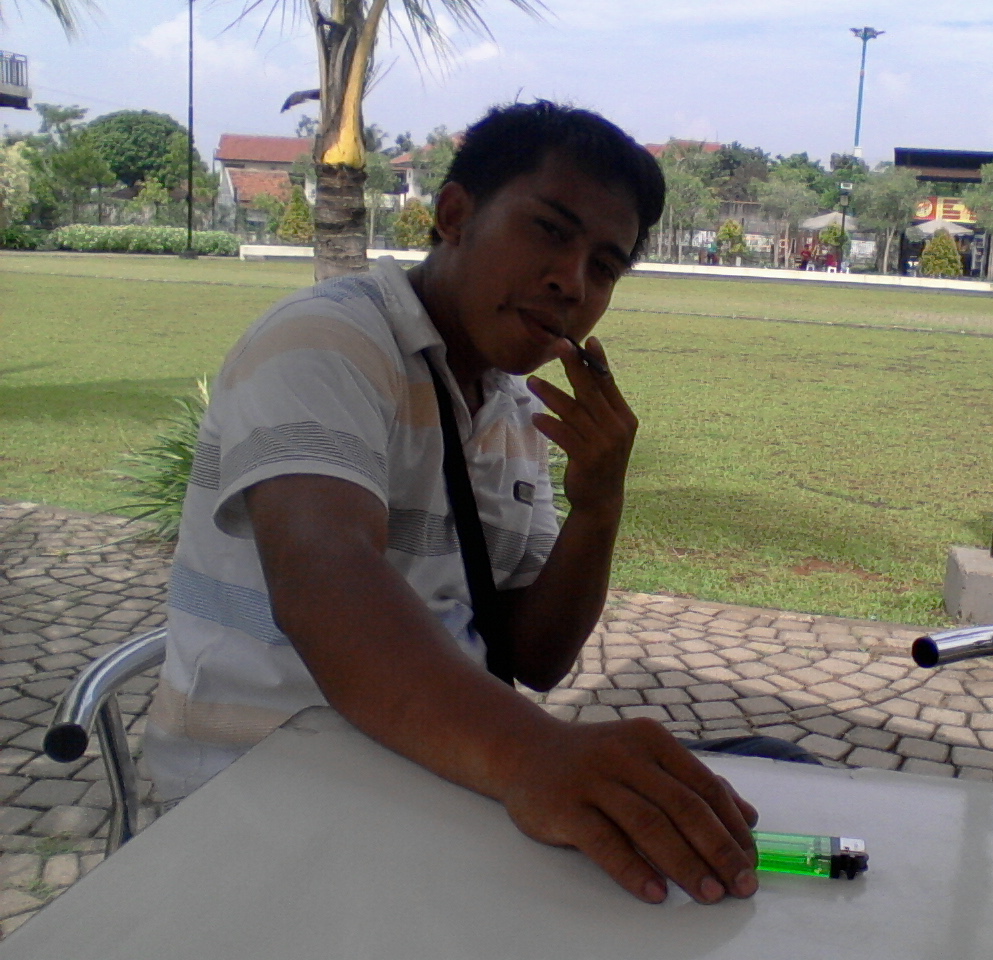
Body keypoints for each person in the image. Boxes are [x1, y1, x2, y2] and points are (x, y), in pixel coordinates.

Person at [143, 101, 762, 907]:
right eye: (550, 231)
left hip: (430, 782)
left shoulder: (512, 407)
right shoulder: (325, 345)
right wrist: (536, 755)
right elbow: (328, 586)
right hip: (263, 808)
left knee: (754, 792)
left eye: (605, 266)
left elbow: (534, 654)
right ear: (455, 215)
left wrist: (598, 506)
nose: (572, 282)